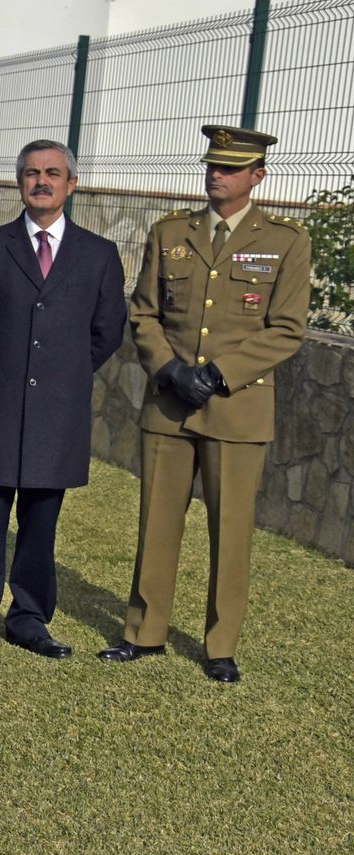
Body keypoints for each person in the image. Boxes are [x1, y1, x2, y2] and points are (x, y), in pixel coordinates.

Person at [99, 125, 310, 683]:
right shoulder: (171, 230)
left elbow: (287, 329)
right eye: (212, 165)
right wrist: (168, 368)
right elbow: (144, 312)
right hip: (170, 403)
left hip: (237, 408)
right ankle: (144, 633)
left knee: (232, 529)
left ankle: (221, 646)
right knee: (157, 523)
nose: (217, 174)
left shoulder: (286, 240)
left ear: (257, 176)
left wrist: (218, 375)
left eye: (231, 168)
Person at [0, 139, 127, 660]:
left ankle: (29, 619)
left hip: (56, 415)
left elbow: (106, 331)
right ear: (19, 182)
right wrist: (0, 373)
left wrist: (57, 374)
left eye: (53, 173)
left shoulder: (99, 255)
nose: (42, 181)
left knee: (41, 525)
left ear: (71, 184)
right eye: (31, 173)